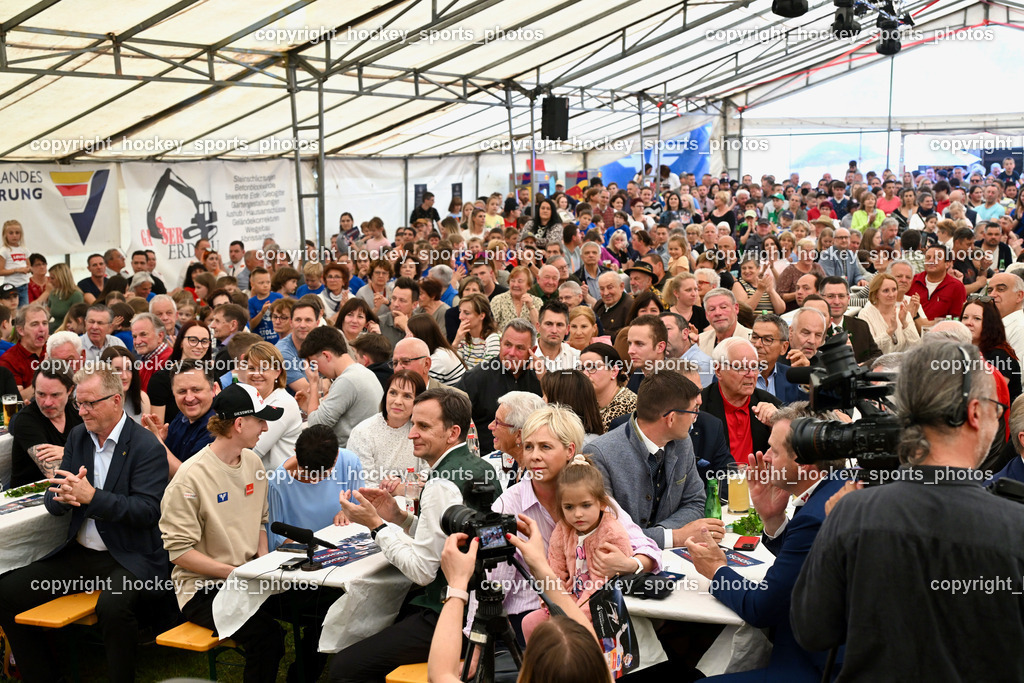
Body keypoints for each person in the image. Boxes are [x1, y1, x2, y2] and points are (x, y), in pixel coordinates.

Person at [791, 342, 1024, 680]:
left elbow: (813, 631)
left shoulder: (852, 513)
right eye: (997, 410)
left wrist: (835, 529)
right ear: (974, 413)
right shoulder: (1015, 526)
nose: (997, 421)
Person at [0, 367, 168, 683]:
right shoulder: (80, 436)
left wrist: (92, 496)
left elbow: (147, 511)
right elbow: (54, 499)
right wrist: (62, 497)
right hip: (82, 554)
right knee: (6, 591)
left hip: (130, 556)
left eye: (90, 403)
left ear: (116, 400)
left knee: (113, 608)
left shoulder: (145, 446)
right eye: (79, 403)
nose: (81, 411)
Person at [330, 388, 501, 680]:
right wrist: (399, 517)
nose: (412, 434)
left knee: (343, 668)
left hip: (451, 612)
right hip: (486, 606)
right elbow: (449, 536)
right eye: (413, 424)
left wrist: (377, 526)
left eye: (423, 426)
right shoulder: (482, 466)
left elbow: (422, 571)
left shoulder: (441, 483)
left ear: (452, 432)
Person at [684, 402, 847, 680]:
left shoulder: (817, 515)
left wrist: (716, 570)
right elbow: (800, 570)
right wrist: (773, 519)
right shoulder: (834, 487)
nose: (765, 457)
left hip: (816, 666)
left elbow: (762, 609)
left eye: (774, 450)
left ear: (805, 461)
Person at [160, 383, 297, 683]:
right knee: (268, 637)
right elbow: (180, 553)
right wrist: (235, 573)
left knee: (315, 606)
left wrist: (263, 562)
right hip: (203, 590)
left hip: (249, 575)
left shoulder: (252, 461)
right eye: (260, 420)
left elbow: (261, 519)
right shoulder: (190, 479)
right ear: (238, 424)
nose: (264, 427)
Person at [589, 371, 721, 548]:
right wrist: (673, 537)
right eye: (693, 411)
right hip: (620, 568)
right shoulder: (600, 454)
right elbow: (605, 531)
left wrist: (661, 533)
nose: (695, 418)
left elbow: (696, 502)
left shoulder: (683, 443)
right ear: (671, 418)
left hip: (672, 559)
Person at [521, 453, 632, 641]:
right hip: (567, 604)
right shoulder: (563, 530)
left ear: (602, 504)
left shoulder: (611, 533)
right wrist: (555, 607)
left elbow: (601, 586)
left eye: (586, 505)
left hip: (604, 610)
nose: (578, 514)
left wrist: (572, 616)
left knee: (573, 637)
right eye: (569, 507)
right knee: (530, 623)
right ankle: (543, 667)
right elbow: (554, 573)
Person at [266, 423, 364, 551]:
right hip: (304, 554)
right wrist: (305, 546)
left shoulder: (349, 462)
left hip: (347, 546)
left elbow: (363, 509)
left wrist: (349, 512)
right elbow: (274, 536)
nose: (314, 479)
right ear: (296, 452)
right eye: (307, 473)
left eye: (323, 474)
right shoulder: (277, 483)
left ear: (336, 457)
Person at [457, 319, 543, 455]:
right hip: (486, 461)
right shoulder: (476, 377)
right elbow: (452, 418)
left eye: (520, 348)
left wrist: (545, 382)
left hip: (531, 460)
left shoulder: (540, 377)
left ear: (532, 350)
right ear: (500, 343)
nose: (511, 352)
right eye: (507, 345)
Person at [297, 326, 382, 447]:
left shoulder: (347, 380)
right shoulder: (363, 372)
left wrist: (314, 383)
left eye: (314, 363)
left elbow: (315, 427)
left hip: (348, 456)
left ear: (326, 356)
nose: (318, 371)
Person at [702, 337, 782, 465]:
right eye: (742, 368)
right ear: (718, 371)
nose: (751, 374)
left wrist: (778, 425)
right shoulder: (700, 406)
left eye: (754, 367)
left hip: (761, 483)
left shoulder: (770, 404)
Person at [346, 369, 426, 487]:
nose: (397, 401)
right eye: (393, 393)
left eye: (407, 396)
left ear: (418, 402)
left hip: (415, 502)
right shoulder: (363, 433)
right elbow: (365, 486)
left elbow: (431, 473)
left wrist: (403, 483)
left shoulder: (421, 430)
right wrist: (400, 488)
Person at [8, 366, 83, 487]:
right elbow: (58, 476)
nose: (47, 402)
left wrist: (66, 452)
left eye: (55, 395)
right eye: (41, 394)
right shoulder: (26, 420)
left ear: (70, 390)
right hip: (31, 495)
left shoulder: (77, 412)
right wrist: (73, 451)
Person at [142, 361, 217, 476]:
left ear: (213, 389)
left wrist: (157, 442)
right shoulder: (182, 416)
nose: (189, 398)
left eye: (196, 390)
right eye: (182, 391)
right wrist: (161, 440)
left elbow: (189, 477)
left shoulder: (218, 426)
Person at [238, 341, 305, 470]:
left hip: (278, 484)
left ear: (277, 372)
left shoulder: (283, 403)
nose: (256, 374)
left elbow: (254, 451)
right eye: (251, 368)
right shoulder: (250, 399)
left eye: (263, 369)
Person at [146, 320, 212, 423]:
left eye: (204, 341)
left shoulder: (212, 374)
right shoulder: (161, 379)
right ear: (181, 342)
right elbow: (158, 426)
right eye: (193, 340)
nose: (199, 346)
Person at [961, 297, 1022, 400]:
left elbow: (988, 396)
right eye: (965, 317)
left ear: (990, 324)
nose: (968, 322)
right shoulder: (962, 351)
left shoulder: (1000, 356)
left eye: (977, 318)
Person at [818, 276, 882, 365]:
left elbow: (877, 356)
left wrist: (860, 367)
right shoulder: (815, 329)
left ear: (848, 299)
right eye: (830, 296)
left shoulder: (861, 326)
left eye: (841, 296)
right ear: (821, 299)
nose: (837, 301)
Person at [858, 273, 920, 353]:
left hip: (902, 362)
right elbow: (868, 348)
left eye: (894, 290)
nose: (891, 295)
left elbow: (918, 347)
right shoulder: (865, 314)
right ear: (876, 294)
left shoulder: (903, 312)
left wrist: (904, 323)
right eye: (886, 291)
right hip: (877, 363)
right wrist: (890, 330)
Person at [0, 303, 49, 400]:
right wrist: (45, 373)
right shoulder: (9, 360)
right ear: (20, 330)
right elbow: (18, 399)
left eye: (45, 323)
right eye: (35, 324)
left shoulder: (54, 351)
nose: (42, 329)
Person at [906, 245, 967, 321]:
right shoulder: (912, 281)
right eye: (928, 258)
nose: (931, 261)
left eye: (937, 258)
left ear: (947, 264)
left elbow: (957, 318)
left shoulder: (957, 287)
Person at [406, 313, 467, 386]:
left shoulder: (438, 359)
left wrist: (407, 349)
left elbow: (418, 388)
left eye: (407, 335)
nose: (405, 339)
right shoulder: (440, 350)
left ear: (418, 336)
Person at [276, 300, 319, 394]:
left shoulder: (322, 343)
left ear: (317, 322)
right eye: (298, 320)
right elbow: (309, 391)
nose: (302, 325)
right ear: (291, 322)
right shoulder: (283, 352)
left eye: (308, 320)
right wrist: (329, 382)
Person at [100, 346, 151, 423]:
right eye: (117, 370)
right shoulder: (96, 402)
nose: (124, 376)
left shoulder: (142, 398)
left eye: (128, 369)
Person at [698, 288, 752, 354]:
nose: (717, 313)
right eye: (712, 309)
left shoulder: (752, 340)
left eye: (723, 307)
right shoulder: (700, 341)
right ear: (706, 315)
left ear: (736, 308)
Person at [454, 292, 500, 367]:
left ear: (481, 316)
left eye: (467, 313)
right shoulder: (463, 337)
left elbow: (486, 372)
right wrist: (456, 342)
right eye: (460, 311)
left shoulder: (493, 339)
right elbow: (451, 366)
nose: (460, 317)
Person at [131, 312, 173, 392]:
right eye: (134, 336)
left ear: (160, 336)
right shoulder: (146, 360)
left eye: (143, 334)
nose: (137, 342)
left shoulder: (169, 361)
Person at [593, 271, 634, 339]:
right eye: (602, 289)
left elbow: (625, 336)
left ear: (621, 286)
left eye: (610, 287)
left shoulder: (630, 306)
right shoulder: (599, 304)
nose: (606, 293)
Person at [248, 267, 282, 343]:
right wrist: (262, 312)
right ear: (252, 284)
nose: (265, 285)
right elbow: (251, 326)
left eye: (268, 282)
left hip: (278, 340)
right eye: (261, 283)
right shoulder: (251, 302)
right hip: (260, 343)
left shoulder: (278, 297)